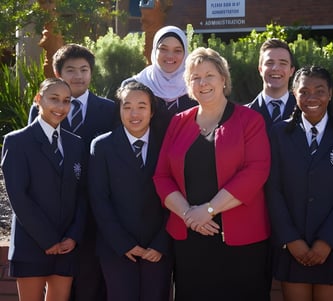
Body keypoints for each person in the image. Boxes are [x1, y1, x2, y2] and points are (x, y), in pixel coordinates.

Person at [153, 47, 271, 301]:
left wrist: (207, 210)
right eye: (195, 77)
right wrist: (188, 214)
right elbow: (162, 177)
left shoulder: (250, 120)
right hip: (190, 237)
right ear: (188, 85)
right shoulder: (178, 122)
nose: (203, 83)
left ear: (223, 79)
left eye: (209, 75)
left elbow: (256, 171)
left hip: (241, 239)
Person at [266, 66, 333, 301]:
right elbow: (272, 190)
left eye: (320, 90)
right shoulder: (279, 133)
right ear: (294, 93)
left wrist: (326, 240)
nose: (312, 98)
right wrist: (291, 239)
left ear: (330, 93)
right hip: (293, 245)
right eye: (304, 91)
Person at [29, 43, 118, 301]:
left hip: (95, 208)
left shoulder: (109, 109)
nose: (78, 76)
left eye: (84, 69)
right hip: (56, 209)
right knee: (58, 284)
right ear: (58, 74)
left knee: (91, 281)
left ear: (92, 73)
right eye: (71, 70)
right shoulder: (42, 108)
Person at [1, 78, 86, 301]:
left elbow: (82, 195)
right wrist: (48, 240)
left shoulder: (76, 144)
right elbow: (18, 196)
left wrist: (73, 236)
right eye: (54, 99)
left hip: (67, 246)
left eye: (66, 101)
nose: (60, 107)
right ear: (38, 100)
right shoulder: (17, 142)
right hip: (32, 243)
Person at [88, 81, 172, 301]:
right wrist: (123, 243)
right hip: (117, 249)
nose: (134, 113)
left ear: (152, 111)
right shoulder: (102, 146)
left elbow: (177, 195)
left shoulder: (167, 145)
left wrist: (160, 243)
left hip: (158, 248)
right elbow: (99, 200)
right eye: (127, 106)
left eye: (142, 106)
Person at [123, 25, 197, 134]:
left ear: (185, 53)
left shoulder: (195, 88)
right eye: (163, 49)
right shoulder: (133, 86)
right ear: (154, 50)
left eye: (177, 50)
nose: (170, 56)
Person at [247, 38, 296, 130]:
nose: (276, 68)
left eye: (283, 63)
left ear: (291, 71)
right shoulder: (243, 115)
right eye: (269, 63)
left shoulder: (305, 112)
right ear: (260, 70)